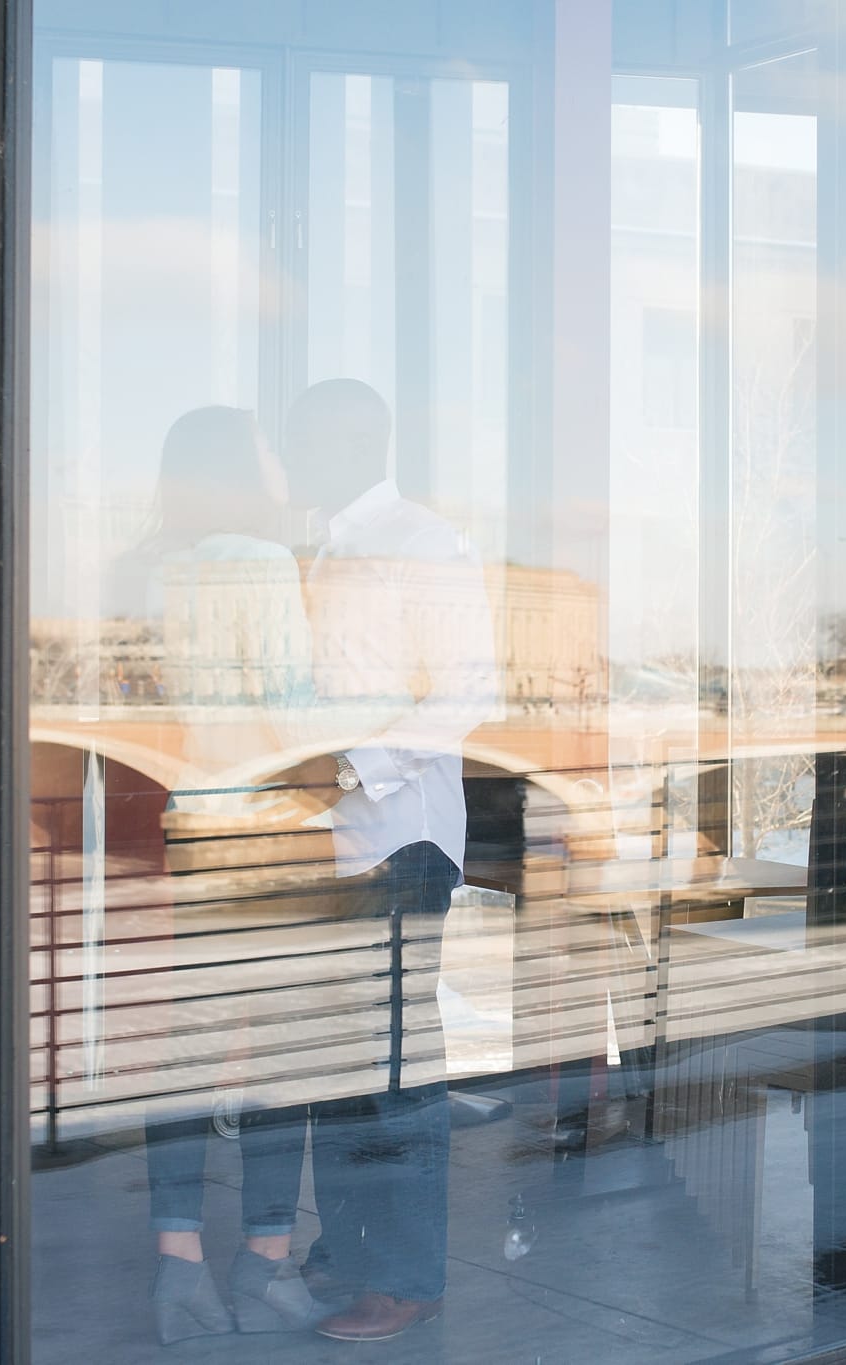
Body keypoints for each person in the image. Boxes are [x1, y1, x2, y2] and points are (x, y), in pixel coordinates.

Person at [272, 380, 499, 1343]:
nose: (296, 457)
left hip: (399, 841)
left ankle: (406, 1278)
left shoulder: (423, 542)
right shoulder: (317, 548)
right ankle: (355, 1252)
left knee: (398, 1072)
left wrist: (351, 766)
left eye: (310, 439)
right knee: (340, 1064)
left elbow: (468, 690)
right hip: (333, 847)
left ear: (360, 440)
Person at [118, 406, 330, 1345]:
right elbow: (292, 712)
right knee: (282, 1059)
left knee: (187, 1049)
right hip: (267, 833)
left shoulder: (140, 570)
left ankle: (177, 1265)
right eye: (272, 450)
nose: (283, 464)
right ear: (243, 471)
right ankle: (267, 1263)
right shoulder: (261, 561)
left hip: (183, 828)